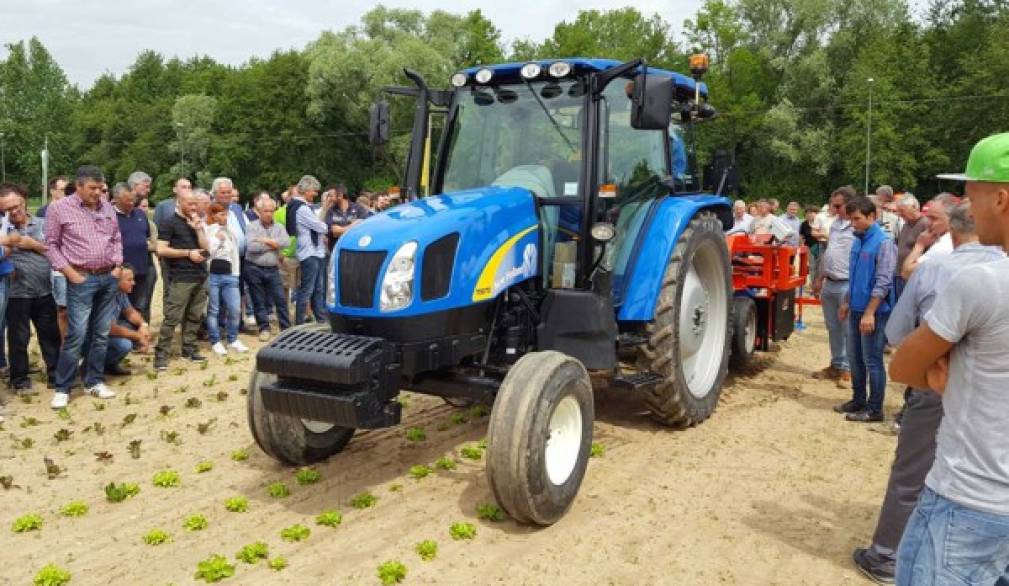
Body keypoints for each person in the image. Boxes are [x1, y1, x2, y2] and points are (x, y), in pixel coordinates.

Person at [851, 201, 1004, 582]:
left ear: (951, 230)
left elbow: (899, 338)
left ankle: (885, 554)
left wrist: (933, 365)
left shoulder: (941, 269)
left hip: (937, 389)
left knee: (912, 471)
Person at [889, 132, 1009, 585]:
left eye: (971, 193)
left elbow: (904, 366)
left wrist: (948, 370)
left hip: (970, 498)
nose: (966, 205)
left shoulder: (981, 283)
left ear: (999, 198)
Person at [44, 165, 123, 409]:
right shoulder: (59, 209)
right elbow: (50, 244)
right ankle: (63, 387)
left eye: (100, 188)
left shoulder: (107, 207)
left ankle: (94, 381)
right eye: (92, 188)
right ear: (78, 186)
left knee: (100, 333)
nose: (97, 193)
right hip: (81, 278)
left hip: (108, 278)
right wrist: (69, 272)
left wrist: (118, 265)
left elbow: (116, 237)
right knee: (76, 335)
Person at [834, 196, 896, 422]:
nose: (853, 223)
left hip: (875, 313)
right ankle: (858, 400)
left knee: (872, 360)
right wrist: (847, 302)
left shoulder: (883, 242)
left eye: (857, 218)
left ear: (872, 216)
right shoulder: (858, 239)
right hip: (856, 309)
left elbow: (883, 281)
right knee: (855, 357)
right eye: (851, 219)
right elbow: (855, 278)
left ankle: (875, 409)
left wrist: (870, 312)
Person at [1, 187, 60, 393]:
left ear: (24, 201)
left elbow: (55, 250)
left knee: (50, 335)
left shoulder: (43, 224)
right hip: (16, 294)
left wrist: (31, 244)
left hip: (44, 290)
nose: (14, 211)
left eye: (16, 206)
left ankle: (55, 375)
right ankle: (19, 379)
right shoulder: (2, 229)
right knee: (19, 339)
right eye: (7, 209)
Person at [154, 189, 209, 370]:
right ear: (179, 202)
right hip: (180, 277)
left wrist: (199, 230)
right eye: (190, 204)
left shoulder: (197, 222)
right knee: (172, 317)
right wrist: (187, 253)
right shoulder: (169, 223)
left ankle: (190, 349)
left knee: (194, 316)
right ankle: (161, 355)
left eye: (195, 204)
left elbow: (206, 249)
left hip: (200, 275)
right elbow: (160, 249)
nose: (194, 207)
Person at [812, 186, 857, 387]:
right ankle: (836, 364)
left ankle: (849, 369)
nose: (834, 209)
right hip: (830, 282)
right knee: (833, 327)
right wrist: (819, 278)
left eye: (837, 205)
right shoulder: (836, 224)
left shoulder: (857, 227)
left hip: (847, 284)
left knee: (848, 329)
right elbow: (829, 253)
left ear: (849, 204)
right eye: (833, 205)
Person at [204, 203, 247, 356]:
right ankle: (215, 341)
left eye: (225, 214)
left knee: (235, 309)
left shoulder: (229, 232)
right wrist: (218, 240)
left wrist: (236, 274)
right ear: (213, 215)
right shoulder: (208, 231)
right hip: (213, 274)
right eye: (221, 214)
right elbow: (209, 253)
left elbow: (234, 254)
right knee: (214, 309)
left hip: (230, 274)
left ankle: (233, 338)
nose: (224, 217)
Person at [245, 196, 291, 340]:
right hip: (254, 267)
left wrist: (265, 241)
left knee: (280, 299)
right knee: (258, 300)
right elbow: (251, 247)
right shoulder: (251, 226)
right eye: (266, 211)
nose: (269, 214)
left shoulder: (279, 227)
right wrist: (273, 244)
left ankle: (286, 329)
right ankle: (264, 328)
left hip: (272, 268)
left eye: (271, 211)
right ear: (259, 211)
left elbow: (286, 242)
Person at [288, 175, 329, 324]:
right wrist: (322, 225)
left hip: (314, 251)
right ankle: (299, 322)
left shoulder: (297, 206)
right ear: (306, 190)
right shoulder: (302, 208)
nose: (316, 194)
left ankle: (320, 318)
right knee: (307, 290)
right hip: (309, 252)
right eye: (314, 191)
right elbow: (321, 227)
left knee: (317, 289)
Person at [112, 183, 155, 321]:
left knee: (141, 306)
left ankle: (140, 338)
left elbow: (147, 237)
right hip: (120, 272)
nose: (131, 203)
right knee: (120, 307)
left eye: (133, 200)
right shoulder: (109, 216)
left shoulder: (140, 214)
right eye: (127, 200)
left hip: (142, 270)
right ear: (116, 199)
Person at [104, 265, 153, 375]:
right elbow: (108, 327)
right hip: (90, 338)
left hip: (106, 332)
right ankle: (90, 367)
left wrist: (143, 325)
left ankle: (109, 366)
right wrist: (138, 336)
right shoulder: (106, 296)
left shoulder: (120, 293)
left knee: (130, 326)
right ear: (116, 281)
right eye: (129, 280)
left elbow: (130, 312)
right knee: (124, 344)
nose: (134, 283)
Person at [900, 193, 957, 279]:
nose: (929, 222)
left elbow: (907, 272)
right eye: (928, 217)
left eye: (934, 218)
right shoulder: (948, 241)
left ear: (951, 219)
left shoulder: (944, 246)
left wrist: (920, 245)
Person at [892, 194, 928, 299]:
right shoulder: (906, 224)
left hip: (912, 277)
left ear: (914, 208)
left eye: (902, 211)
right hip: (899, 274)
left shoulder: (925, 224)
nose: (899, 214)